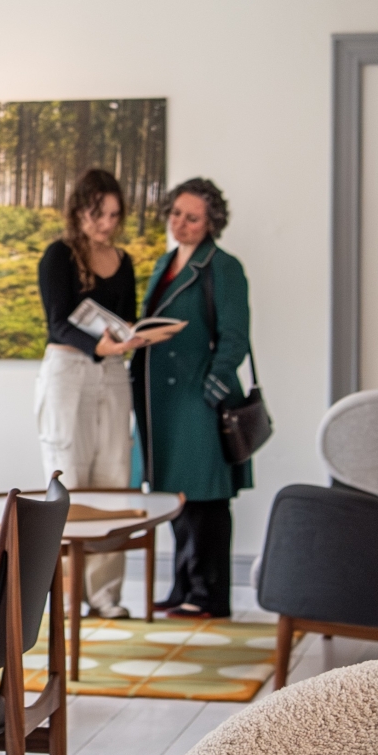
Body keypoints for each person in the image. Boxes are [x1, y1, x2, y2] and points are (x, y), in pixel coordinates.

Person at [35, 168, 180, 617]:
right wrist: (98, 344)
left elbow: (127, 320)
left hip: (114, 372)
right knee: (69, 477)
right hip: (68, 371)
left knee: (115, 478)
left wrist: (133, 340)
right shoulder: (57, 256)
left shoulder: (125, 260)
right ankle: (66, 597)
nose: (108, 224)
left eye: (115, 215)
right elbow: (58, 321)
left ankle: (106, 597)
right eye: (100, 215)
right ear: (80, 211)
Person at [133, 177, 252, 620]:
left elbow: (235, 336)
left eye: (193, 218)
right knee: (178, 499)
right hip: (162, 402)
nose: (180, 224)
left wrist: (212, 388)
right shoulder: (166, 261)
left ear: (211, 224)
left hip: (198, 397)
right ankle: (182, 585)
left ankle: (209, 596)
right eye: (176, 214)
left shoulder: (223, 266)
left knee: (206, 499)